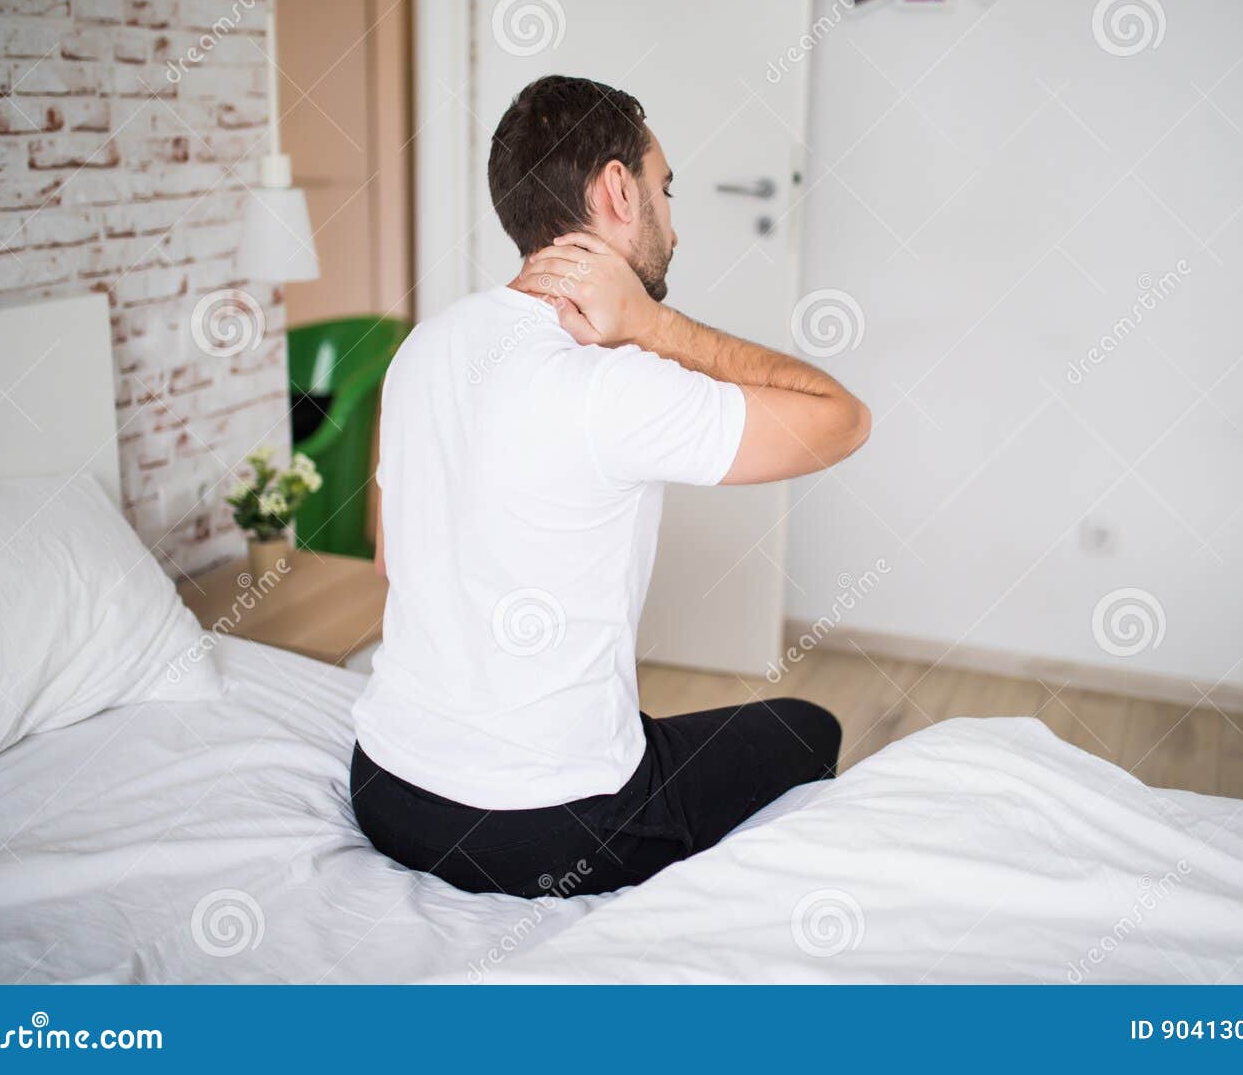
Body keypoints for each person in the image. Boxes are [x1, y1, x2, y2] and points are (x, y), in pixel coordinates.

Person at [350, 75, 870, 897]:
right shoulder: (613, 381)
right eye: (665, 188)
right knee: (808, 726)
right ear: (618, 190)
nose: (675, 220)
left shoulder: (425, 346)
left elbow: (391, 560)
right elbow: (842, 417)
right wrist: (656, 327)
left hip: (384, 788)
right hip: (546, 829)